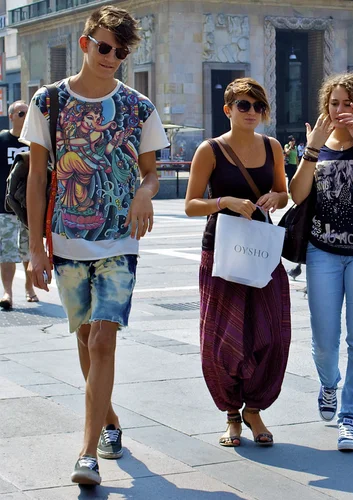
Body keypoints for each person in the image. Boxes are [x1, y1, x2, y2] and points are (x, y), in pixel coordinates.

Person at [22, 5, 169, 486]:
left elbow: (151, 174)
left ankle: (87, 453)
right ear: (86, 42)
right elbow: (37, 182)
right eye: (105, 46)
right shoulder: (48, 102)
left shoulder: (138, 108)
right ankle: (109, 422)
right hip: (65, 239)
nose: (111, 57)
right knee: (85, 339)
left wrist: (145, 197)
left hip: (119, 240)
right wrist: (36, 248)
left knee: (104, 339)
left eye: (121, 51)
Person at [184, 78, 290, 449]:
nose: (252, 112)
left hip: (261, 249)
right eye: (243, 105)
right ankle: (232, 414)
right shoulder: (210, 150)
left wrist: (276, 197)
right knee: (222, 336)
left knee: (270, 332)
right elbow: (190, 204)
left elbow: (284, 191)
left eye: (258, 106)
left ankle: (254, 408)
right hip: (222, 250)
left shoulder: (272, 146)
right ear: (227, 109)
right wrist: (224, 201)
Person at [290, 73, 353, 452]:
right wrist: (311, 148)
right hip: (323, 250)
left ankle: (350, 417)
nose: (340, 110)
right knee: (323, 337)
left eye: (348, 103)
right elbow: (297, 195)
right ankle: (329, 382)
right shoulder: (319, 143)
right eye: (334, 103)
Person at [0, 101, 36, 309]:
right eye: (21, 113)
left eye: (27, 113)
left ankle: (29, 288)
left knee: (28, 251)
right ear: (11, 116)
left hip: (29, 207)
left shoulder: (33, 143)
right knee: (7, 251)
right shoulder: (3, 139)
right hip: (4, 206)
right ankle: (7, 293)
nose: (25, 116)